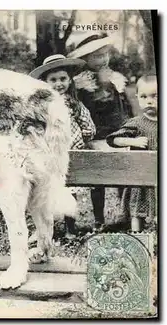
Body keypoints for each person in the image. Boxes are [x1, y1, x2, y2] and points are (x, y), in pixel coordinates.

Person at [67, 32, 134, 232]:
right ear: (85, 59)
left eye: (105, 54)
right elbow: (87, 109)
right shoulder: (80, 83)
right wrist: (99, 86)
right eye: (97, 56)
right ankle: (99, 219)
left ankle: (125, 214)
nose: (103, 59)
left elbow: (122, 107)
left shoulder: (114, 78)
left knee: (123, 175)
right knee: (98, 180)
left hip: (117, 133)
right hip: (96, 135)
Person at [29, 54, 96, 239]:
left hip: (70, 153)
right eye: (53, 80)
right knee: (44, 190)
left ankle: (70, 228)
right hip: (48, 154)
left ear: (69, 80)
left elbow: (88, 126)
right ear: (45, 83)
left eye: (63, 79)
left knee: (69, 190)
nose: (59, 84)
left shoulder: (75, 104)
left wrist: (82, 138)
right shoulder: (41, 107)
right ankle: (43, 229)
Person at [106, 74, 157, 232]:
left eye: (155, 96)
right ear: (137, 98)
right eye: (143, 97)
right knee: (137, 208)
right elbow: (113, 140)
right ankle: (137, 234)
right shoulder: (136, 123)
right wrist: (133, 141)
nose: (149, 101)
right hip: (140, 176)